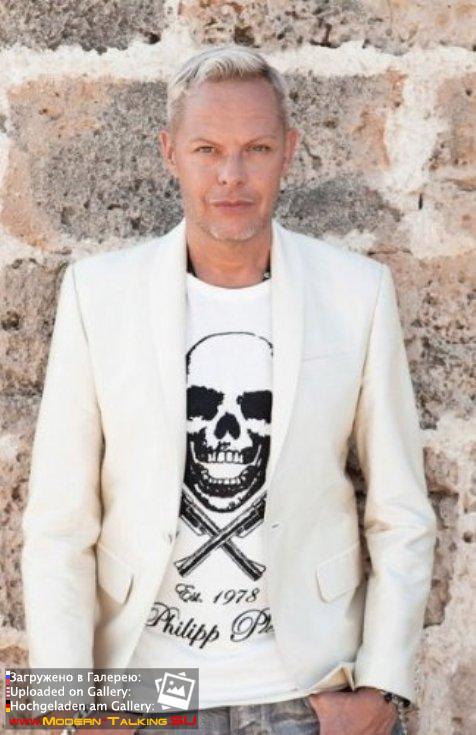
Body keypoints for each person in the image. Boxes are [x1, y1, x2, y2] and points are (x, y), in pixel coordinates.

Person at [21, 45, 437, 735]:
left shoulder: (356, 293)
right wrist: (62, 714)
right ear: (170, 153)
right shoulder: (98, 295)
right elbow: (59, 525)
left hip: (308, 695)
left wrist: (382, 691)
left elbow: (401, 512)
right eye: (207, 149)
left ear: (289, 152)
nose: (231, 175)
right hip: (144, 695)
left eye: (257, 149)